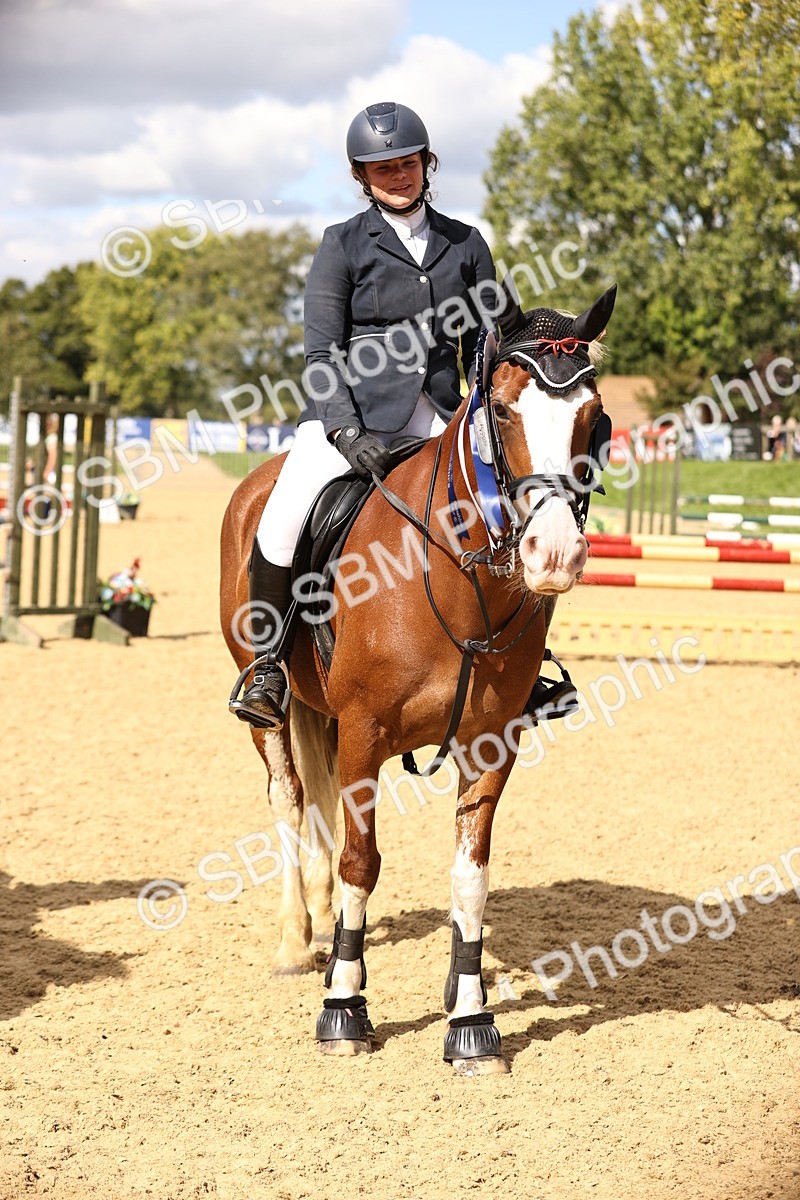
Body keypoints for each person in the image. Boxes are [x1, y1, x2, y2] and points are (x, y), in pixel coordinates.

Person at [229, 101, 577, 731]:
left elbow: (495, 335)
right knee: (281, 519)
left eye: (407, 163)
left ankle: (529, 668)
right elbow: (320, 350)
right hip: (349, 419)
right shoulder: (341, 244)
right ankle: (269, 666)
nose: (397, 175)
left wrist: (548, 348)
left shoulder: (465, 243)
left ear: (426, 163)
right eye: (381, 167)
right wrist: (345, 430)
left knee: (518, 515)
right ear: (363, 176)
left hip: (442, 417)